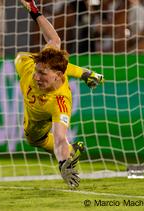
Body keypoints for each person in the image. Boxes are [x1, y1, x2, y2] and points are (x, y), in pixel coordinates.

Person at [15, 0, 104, 188]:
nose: (37, 77)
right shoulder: (29, 67)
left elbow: (60, 138)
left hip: (43, 114)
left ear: (58, 76)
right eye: (37, 71)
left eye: (43, 74)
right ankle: (72, 152)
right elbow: (54, 40)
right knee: (33, 140)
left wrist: (63, 163)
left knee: (46, 139)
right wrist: (34, 11)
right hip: (31, 112)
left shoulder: (61, 102)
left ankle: (67, 156)